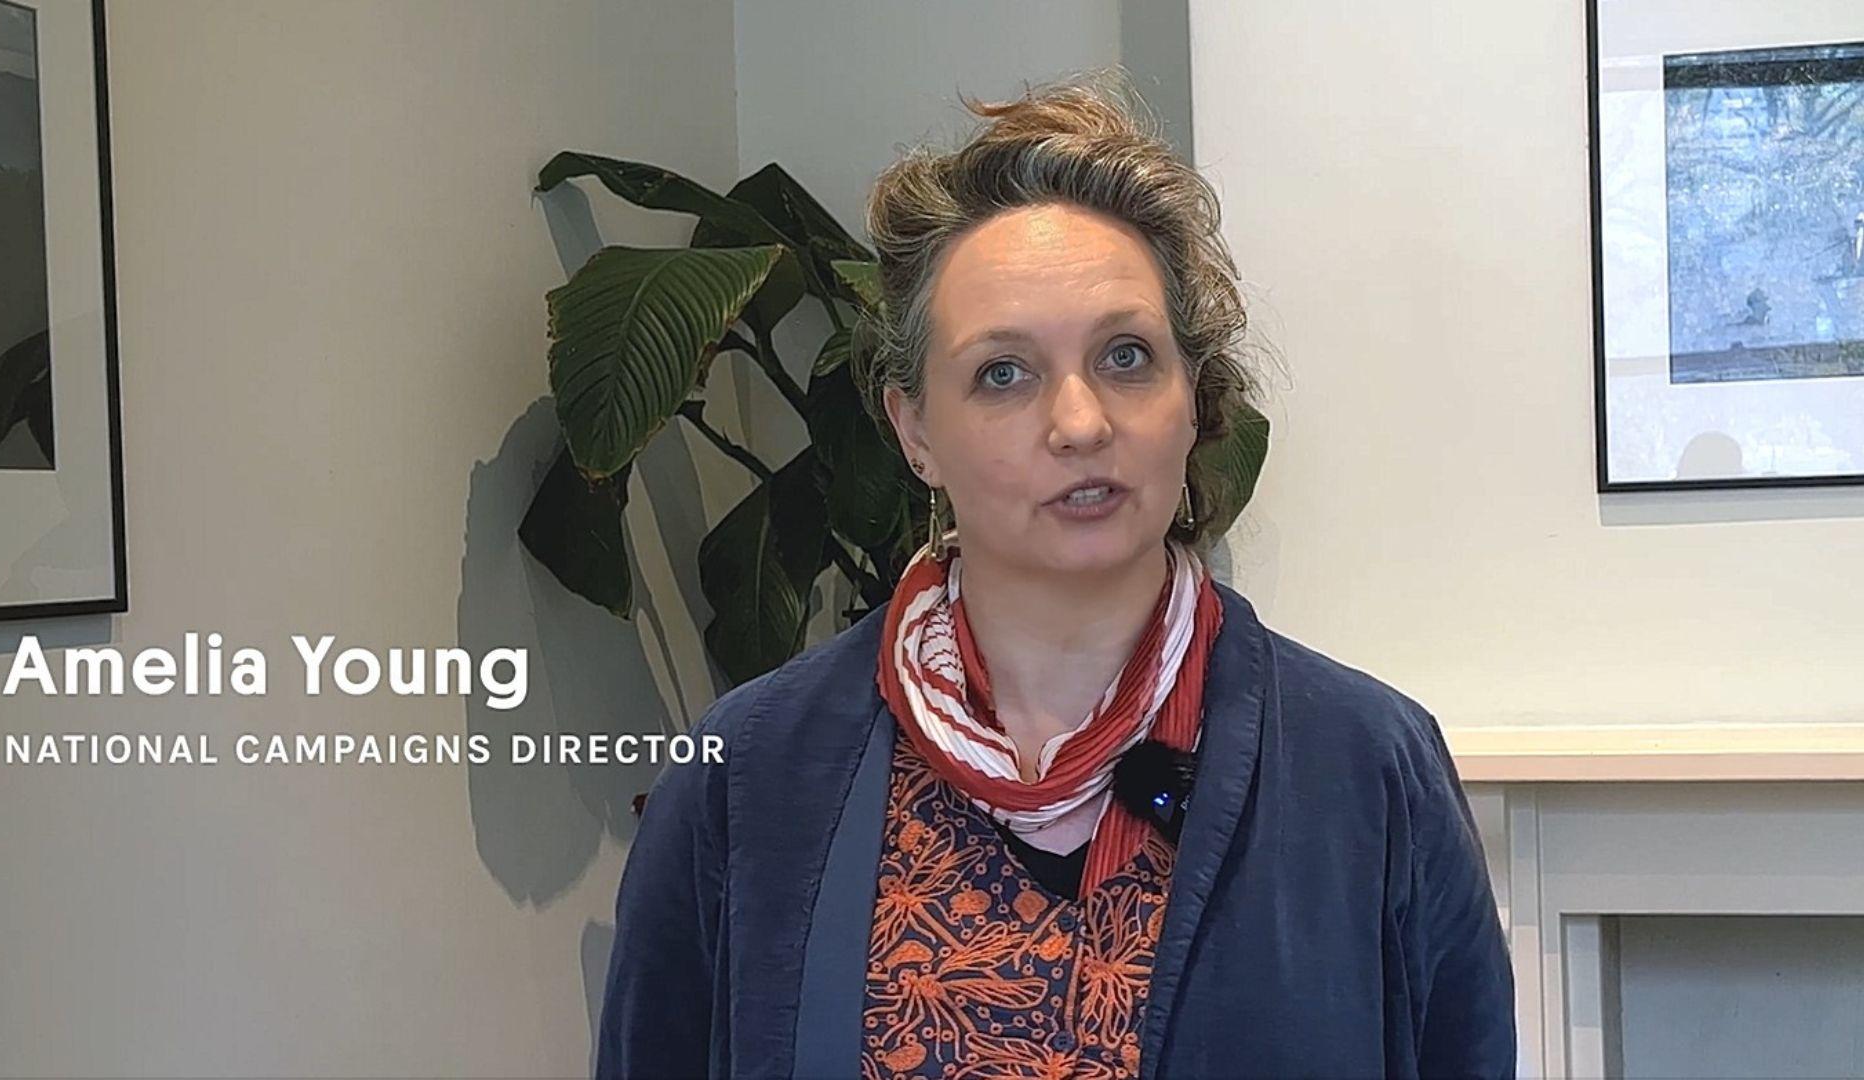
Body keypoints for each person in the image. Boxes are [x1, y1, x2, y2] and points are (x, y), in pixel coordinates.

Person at [595, 68, 1516, 1080]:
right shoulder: (748, 774)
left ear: (1194, 397)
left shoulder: (1368, 766)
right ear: (915, 431)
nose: (1080, 422)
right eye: (1004, 372)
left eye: (1126, 357)